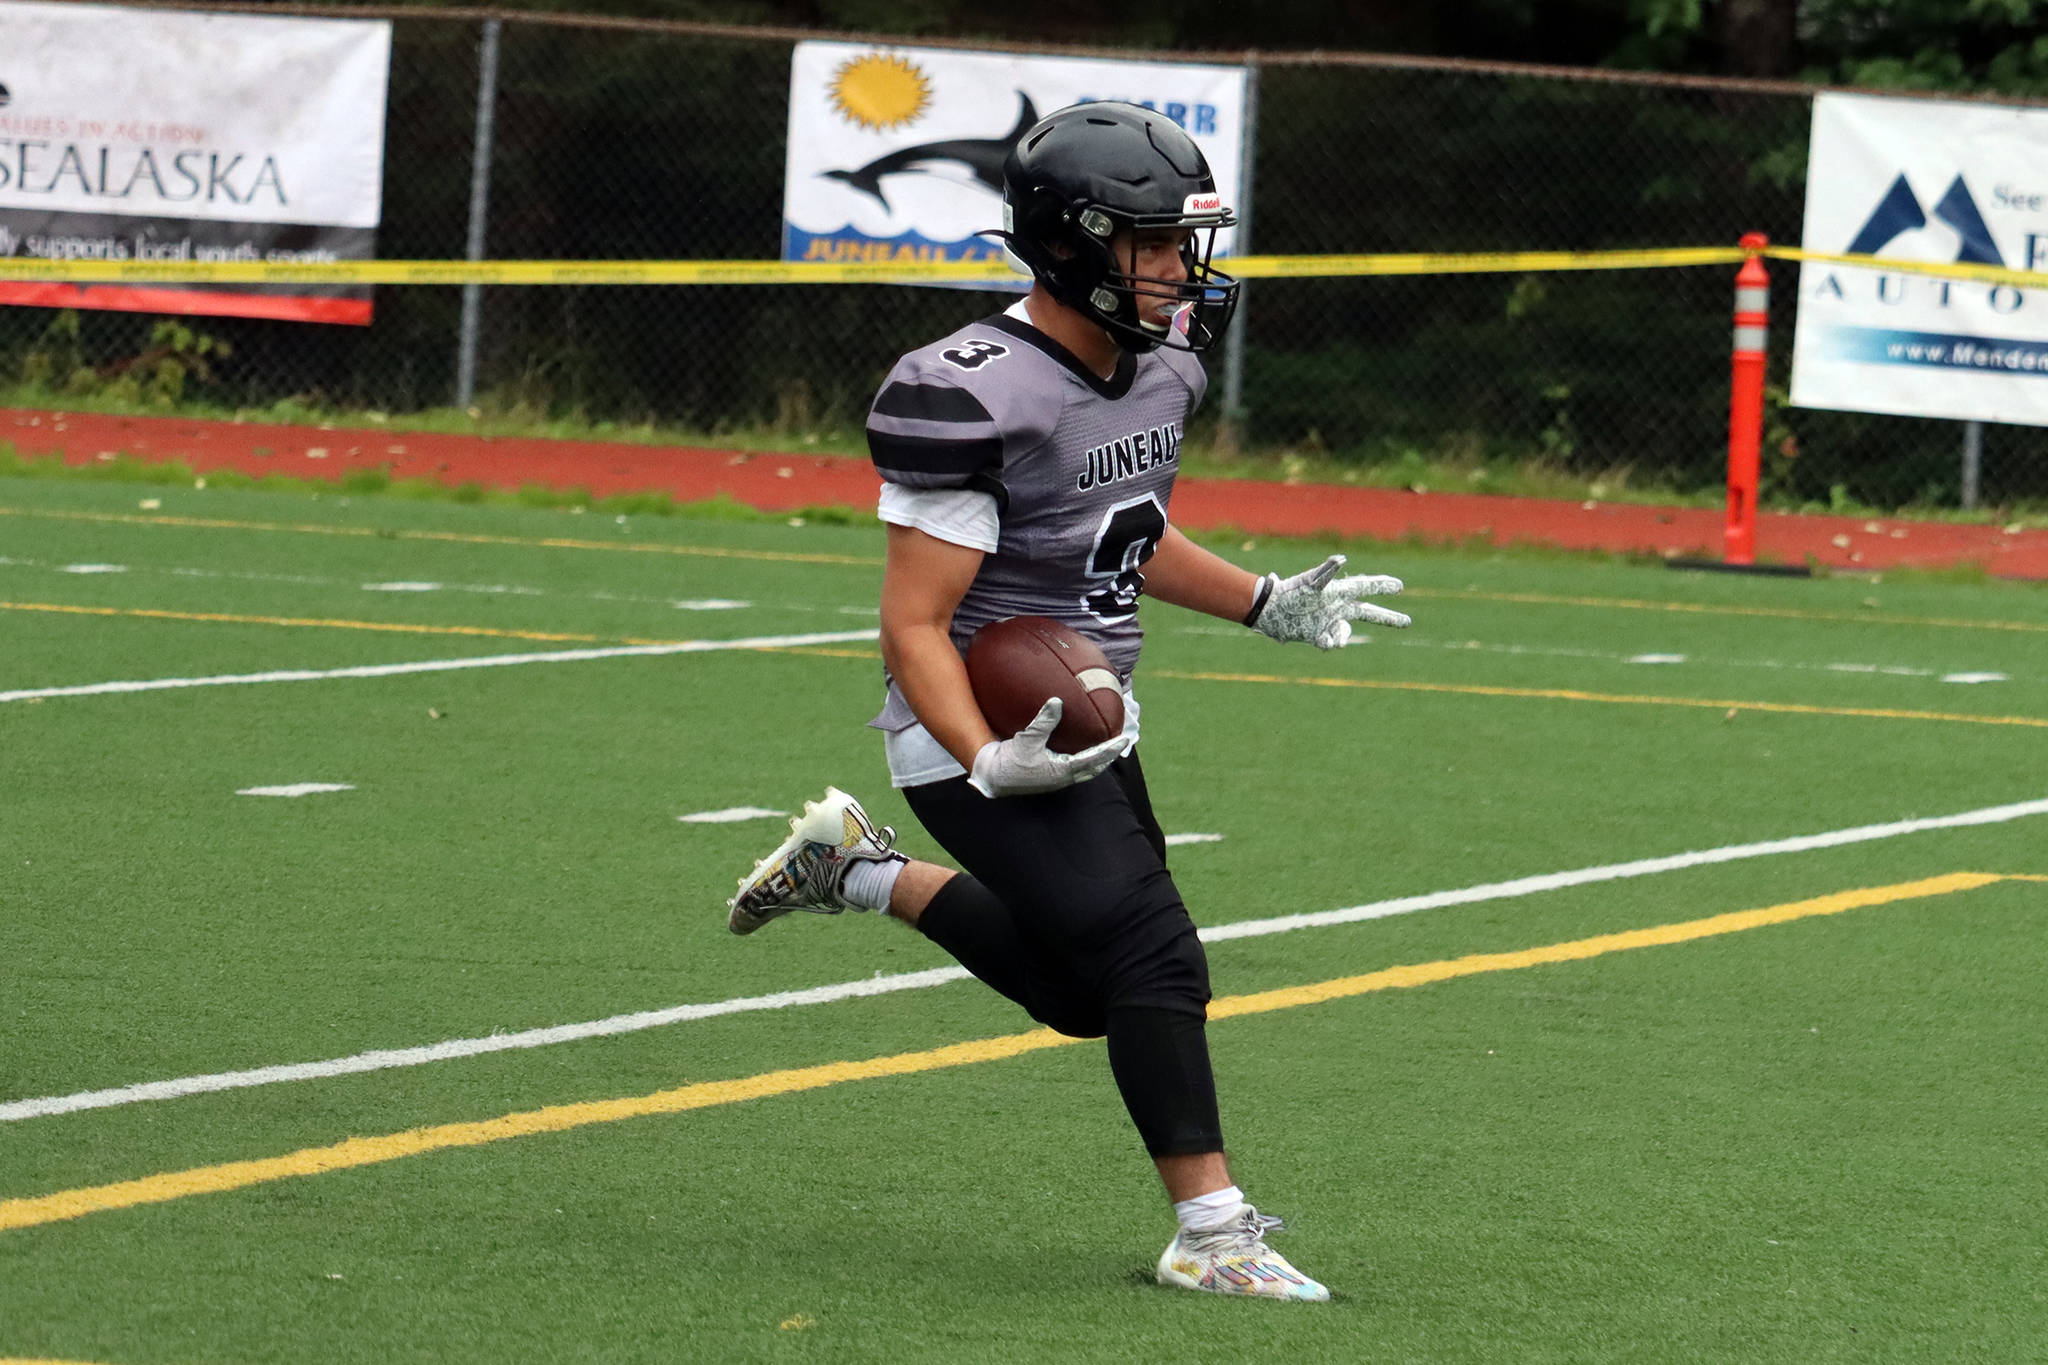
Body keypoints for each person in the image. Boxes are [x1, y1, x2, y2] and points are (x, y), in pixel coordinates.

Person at [727, 100, 1410, 1302]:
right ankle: (1212, 1235)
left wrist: (1261, 602)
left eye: (1182, 242)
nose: (1178, 268)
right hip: (975, 727)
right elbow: (913, 625)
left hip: (1085, 720)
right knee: (1154, 958)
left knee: (1080, 992)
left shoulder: (1163, 363)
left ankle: (855, 871)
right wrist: (983, 759)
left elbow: (1122, 532)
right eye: (1150, 244)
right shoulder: (975, 391)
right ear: (1067, 244)